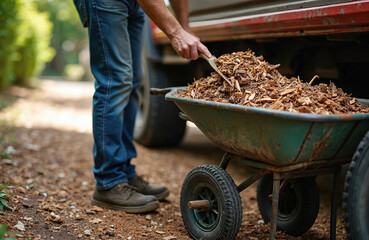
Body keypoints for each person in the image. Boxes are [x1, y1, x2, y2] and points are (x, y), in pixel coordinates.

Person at [73, 0, 211, 213]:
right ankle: (108, 182)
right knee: (116, 81)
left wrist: (184, 29)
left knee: (133, 80)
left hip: (135, 4)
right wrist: (176, 33)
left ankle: (124, 173)